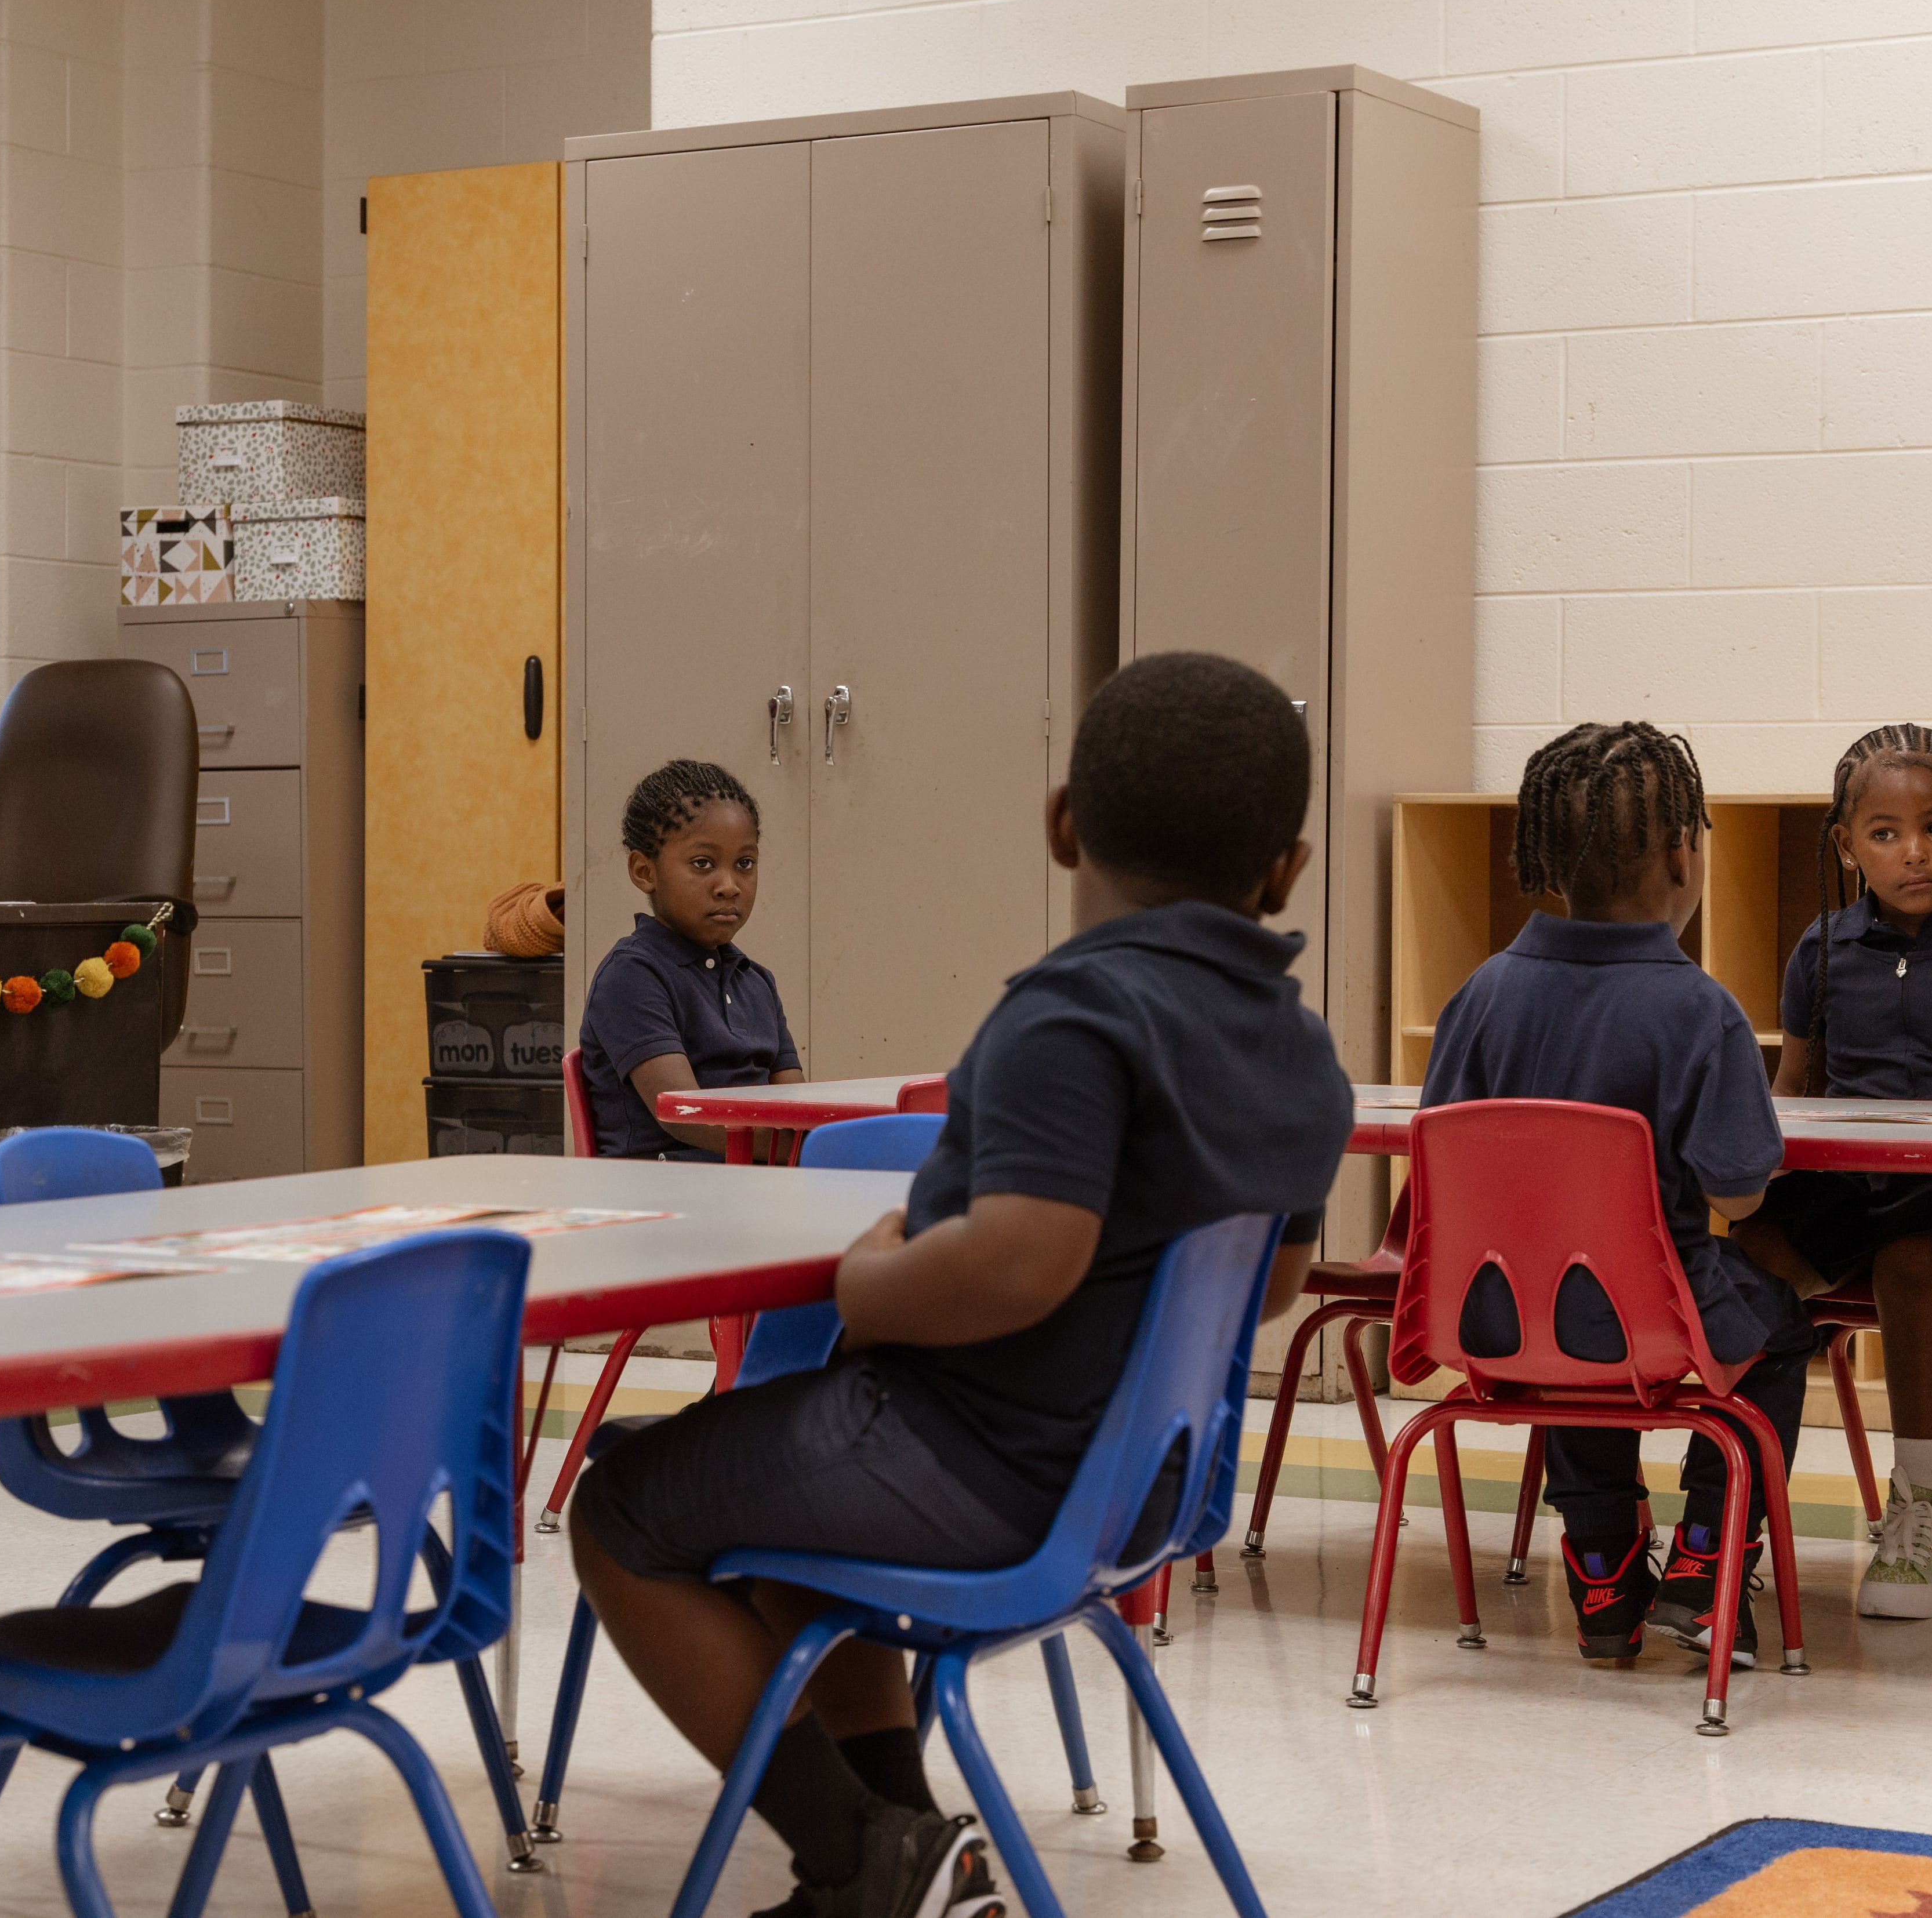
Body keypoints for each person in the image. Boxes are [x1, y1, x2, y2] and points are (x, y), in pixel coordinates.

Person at [569, 655, 1351, 1918]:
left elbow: (1014, 1263)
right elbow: (1274, 1284)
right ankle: (909, 1850)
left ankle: (856, 1853)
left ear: (1061, 825)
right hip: (1135, 1484)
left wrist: (873, 1282)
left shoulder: (1074, 1016)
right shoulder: (1299, 1045)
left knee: (621, 1509)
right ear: (1287, 870)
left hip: (978, 1466)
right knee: (795, 1553)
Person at [1422, 721, 1814, 1668]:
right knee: (1781, 1326)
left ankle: (1602, 1572)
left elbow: (1440, 1150)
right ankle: (1710, 1561)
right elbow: (1741, 1192)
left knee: (1564, 1313)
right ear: (1684, 854)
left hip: (1495, 1314)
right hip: (1654, 1317)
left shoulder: (1478, 993)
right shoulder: (1699, 1009)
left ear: (1548, 856)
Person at [1733, 722, 1932, 1618]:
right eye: (1885, 834)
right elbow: (1789, 1094)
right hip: (1851, 1187)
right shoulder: (1822, 948)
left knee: (1910, 1256)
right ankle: (1727, 1523)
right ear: (1848, 848)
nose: (1915, 852)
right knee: (1750, 1268)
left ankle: (1922, 1511)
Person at [578, 760, 803, 1159]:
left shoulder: (757, 983)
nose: (729, 886)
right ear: (644, 871)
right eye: (703, 864)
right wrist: (799, 1146)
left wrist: (814, 1141)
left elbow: (798, 1109)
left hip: (752, 1185)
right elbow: (684, 1114)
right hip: (663, 1196)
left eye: (745, 864)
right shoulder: (632, 975)